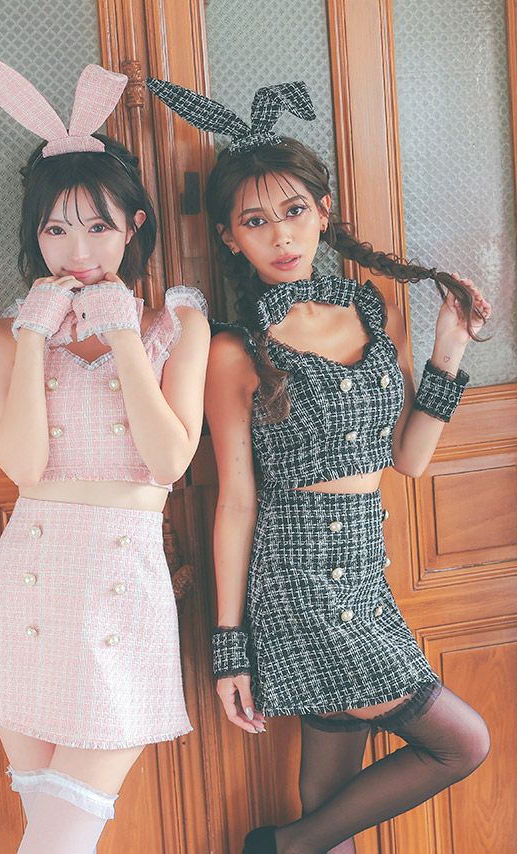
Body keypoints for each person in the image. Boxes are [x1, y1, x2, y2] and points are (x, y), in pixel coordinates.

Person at [146, 77, 492, 854]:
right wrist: (229, 647)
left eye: (295, 210)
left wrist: (448, 352)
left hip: (365, 570)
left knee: (329, 796)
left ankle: (296, 847)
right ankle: (279, 848)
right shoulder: (234, 349)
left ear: (323, 211)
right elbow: (236, 501)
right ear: (230, 237)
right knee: (462, 743)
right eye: (255, 221)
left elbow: (407, 458)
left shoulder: (375, 310)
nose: (281, 235)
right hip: (298, 581)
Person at [0, 48, 210, 853]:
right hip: (28, 590)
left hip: (123, 593)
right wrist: (32, 337)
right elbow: (24, 468)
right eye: (56, 228)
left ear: (134, 225)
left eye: (97, 225)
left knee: (61, 837)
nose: (76, 249)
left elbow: (170, 463)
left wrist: (123, 335)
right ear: (36, 234)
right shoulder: (1, 339)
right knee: (53, 836)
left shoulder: (177, 326)